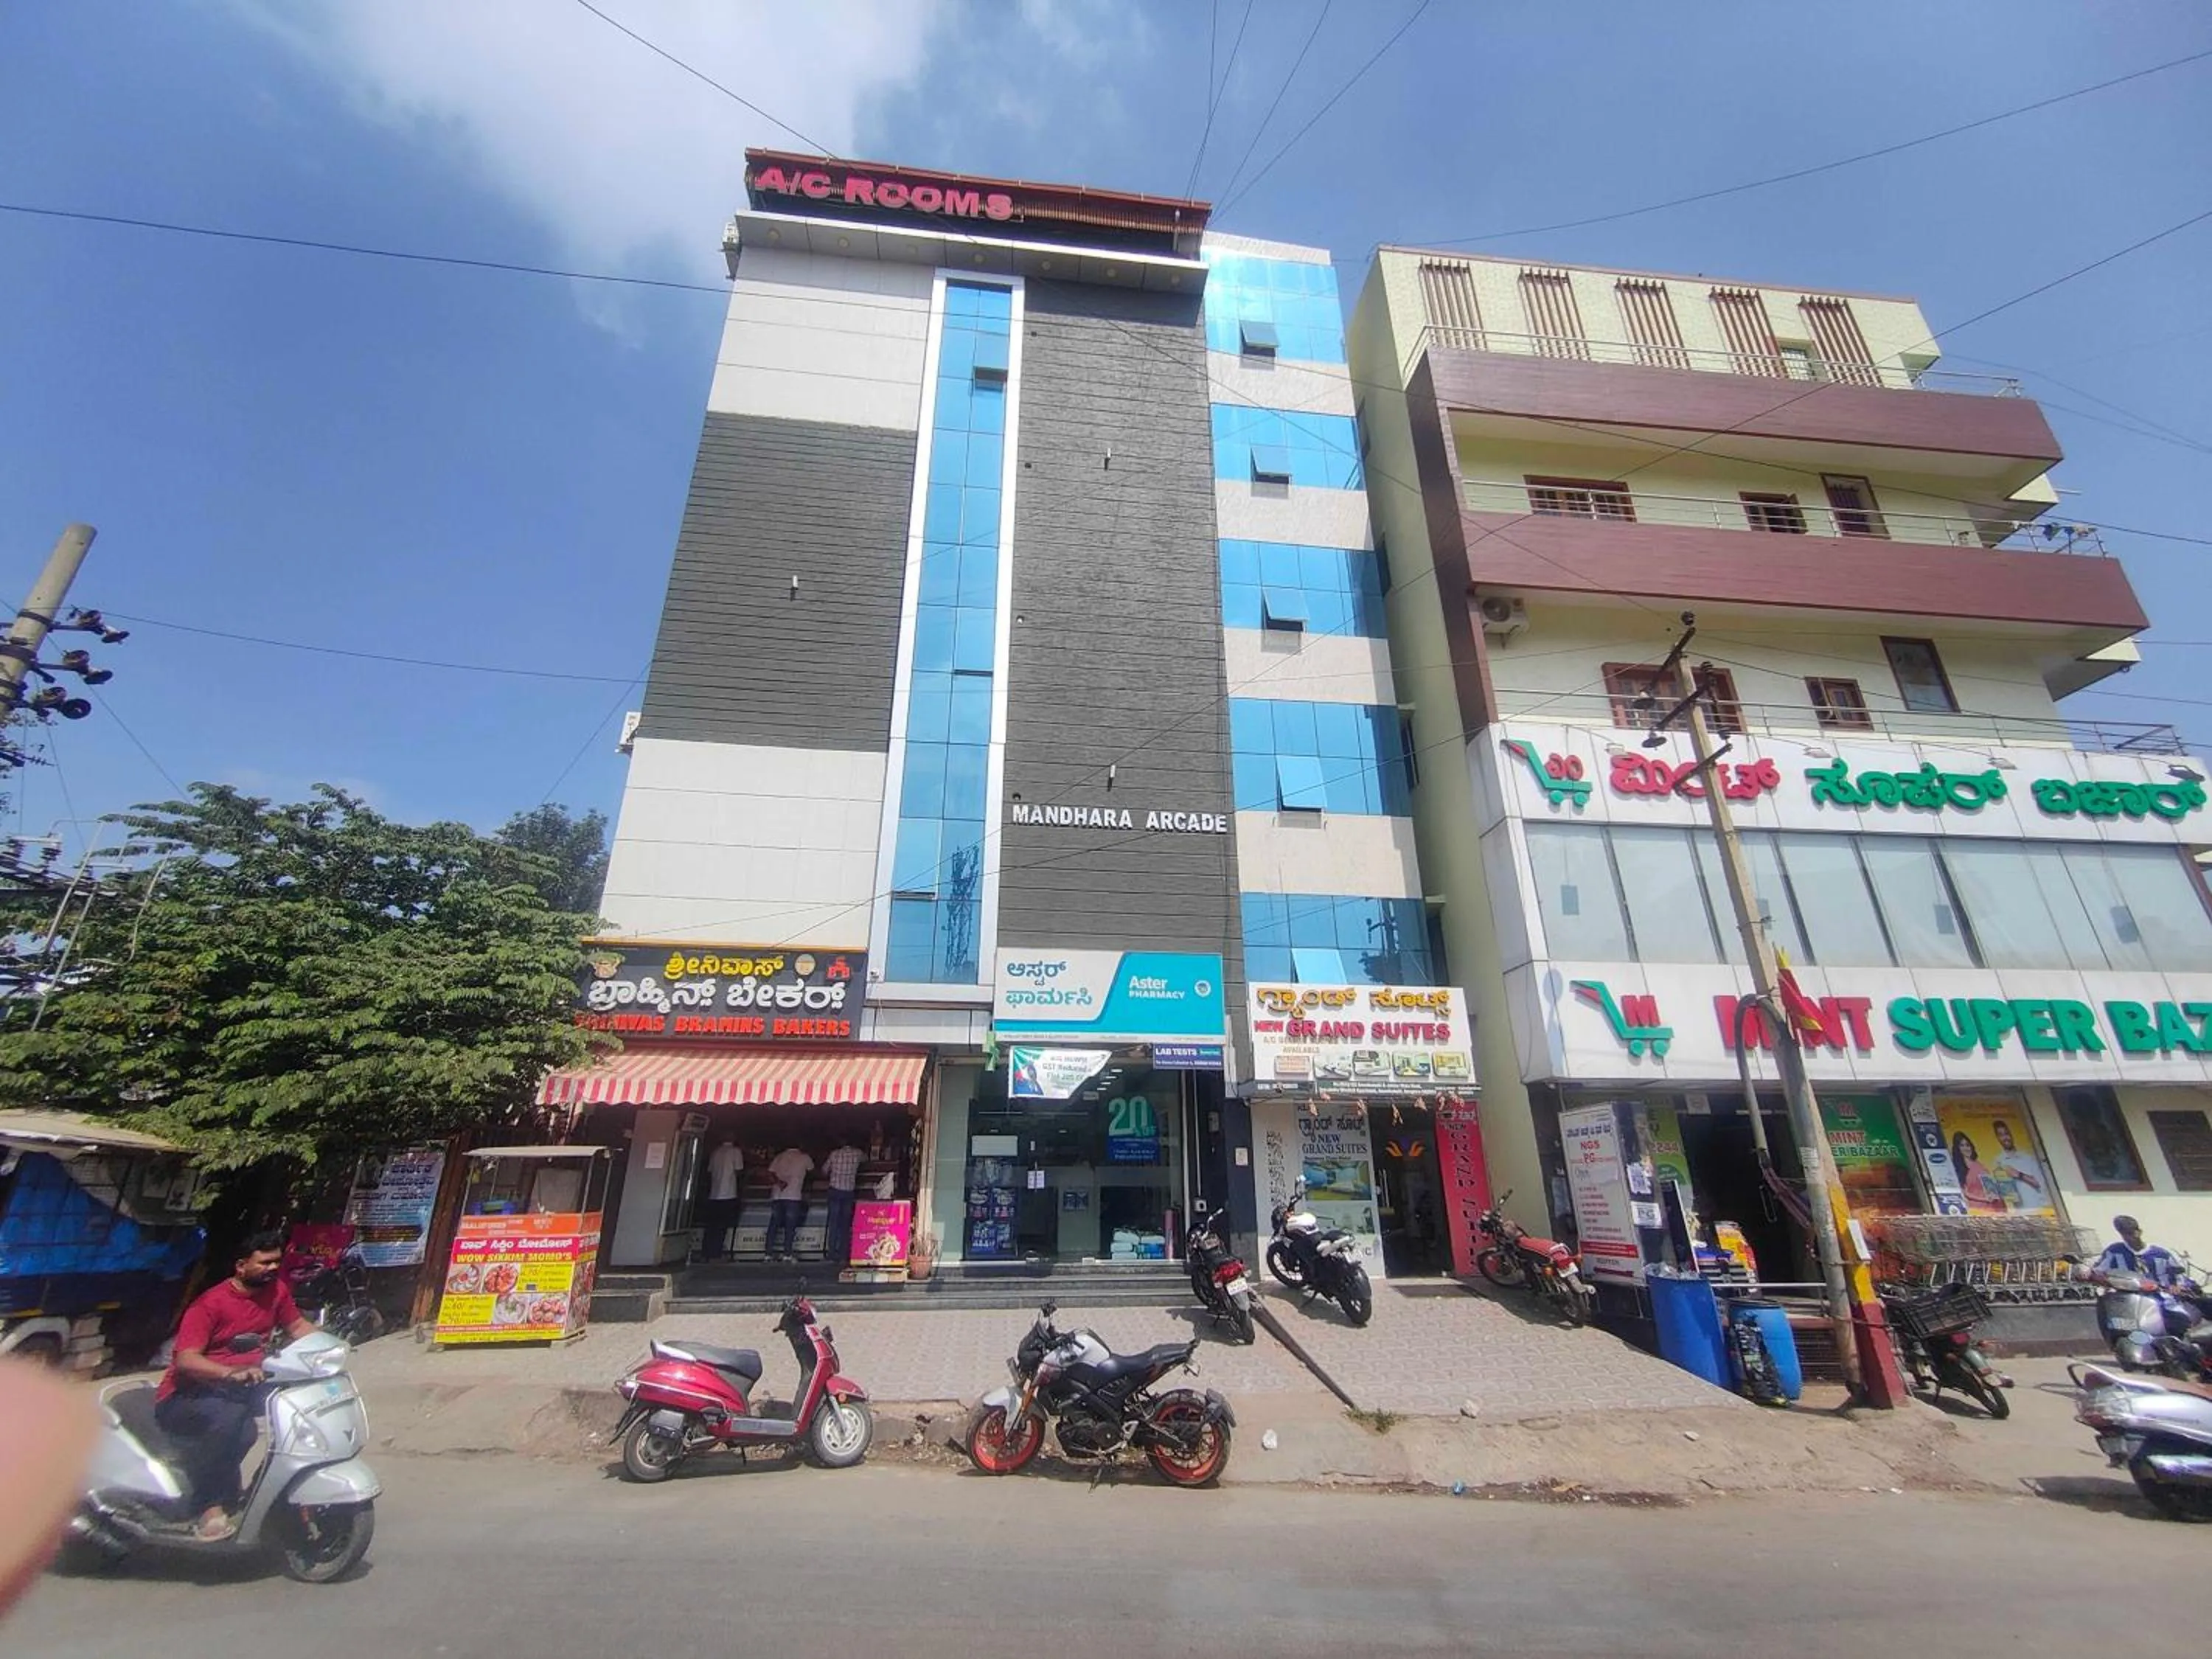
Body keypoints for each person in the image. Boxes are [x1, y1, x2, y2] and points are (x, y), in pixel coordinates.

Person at [153, 1230, 318, 1540]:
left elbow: (297, 1326)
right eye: (264, 1263)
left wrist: (331, 1348)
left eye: (276, 1262)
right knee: (237, 1426)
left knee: (300, 1410)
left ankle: (275, 1491)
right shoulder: (210, 1304)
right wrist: (231, 1373)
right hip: (187, 1394)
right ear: (241, 1266)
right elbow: (186, 1360)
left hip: (244, 1386)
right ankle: (208, 1506)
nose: (272, 1269)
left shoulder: (277, 1292)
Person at [2096, 1214, 2187, 1290]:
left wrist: (2176, 1286)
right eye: (2125, 1234)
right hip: (2128, 1300)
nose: (2130, 1238)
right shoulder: (2114, 1252)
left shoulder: (2161, 1255)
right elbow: (2098, 1272)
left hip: (2160, 1299)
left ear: (2140, 1232)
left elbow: (2179, 1278)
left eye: (2132, 1233)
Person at [765, 1144, 814, 1262]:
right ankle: (787, 1254)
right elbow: (812, 1171)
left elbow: (770, 1173)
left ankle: (768, 1254)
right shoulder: (804, 1157)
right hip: (794, 1195)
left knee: (774, 1226)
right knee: (790, 1226)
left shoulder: (779, 1157)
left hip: (778, 1195)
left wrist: (779, 1182)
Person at [1985, 1119, 2048, 1212]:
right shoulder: (1997, 1161)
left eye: (2007, 1133)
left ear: (2011, 1134)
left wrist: (2019, 1175)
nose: (2005, 1138)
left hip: (2037, 1209)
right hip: (2017, 1213)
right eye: (2001, 1135)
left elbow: (2040, 1184)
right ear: (1997, 1138)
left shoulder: (2027, 1158)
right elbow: (1996, 1191)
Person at [823, 1136, 866, 1265]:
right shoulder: (858, 1153)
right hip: (849, 1192)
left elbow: (824, 1171)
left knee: (834, 1223)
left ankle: (831, 1254)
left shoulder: (834, 1154)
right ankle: (843, 1255)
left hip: (835, 1190)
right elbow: (867, 1159)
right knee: (845, 1224)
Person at [702, 1135, 744, 1262]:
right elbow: (739, 1171)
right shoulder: (735, 1151)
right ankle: (716, 1254)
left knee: (711, 1226)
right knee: (722, 1226)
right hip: (728, 1193)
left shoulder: (716, 1152)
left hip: (714, 1194)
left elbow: (709, 1172)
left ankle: (706, 1253)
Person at [1950, 1131, 2003, 1215]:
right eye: (1962, 1145)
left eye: (1967, 1145)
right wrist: (1985, 1199)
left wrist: (1995, 1193)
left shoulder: (1979, 1165)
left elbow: (1988, 1184)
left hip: (1992, 1206)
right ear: (1958, 1148)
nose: (1966, 1148)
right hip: (1977, 1209)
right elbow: (1965, 1193)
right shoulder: (1957, 1168)